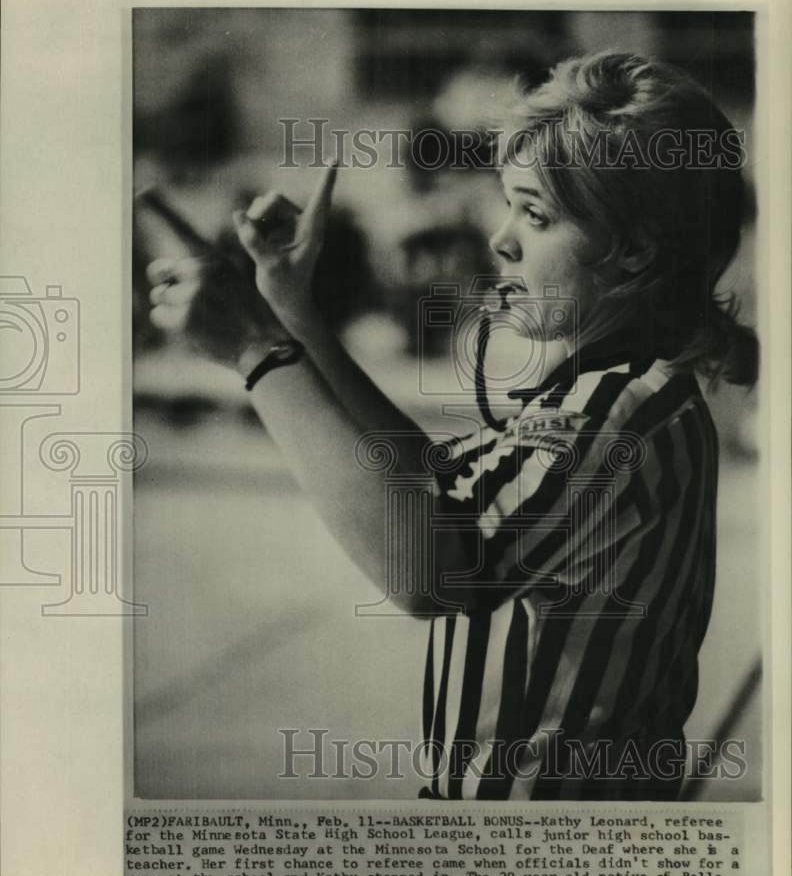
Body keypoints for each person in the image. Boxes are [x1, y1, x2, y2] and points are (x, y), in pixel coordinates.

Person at [147, 51, 758, 801]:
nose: (501, 239)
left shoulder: (616, 415)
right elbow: (425, 479)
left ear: (635, 248)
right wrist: (292, 316)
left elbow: (428, 571)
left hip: (545, 850)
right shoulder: (614, 387)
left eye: (535, 214)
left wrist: (254, 352)